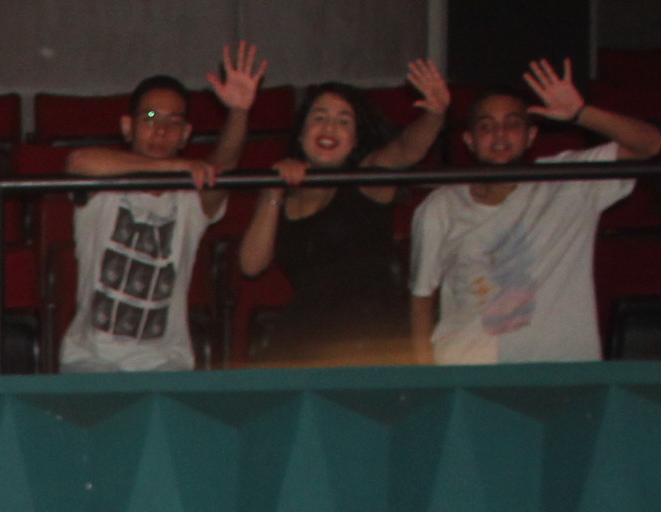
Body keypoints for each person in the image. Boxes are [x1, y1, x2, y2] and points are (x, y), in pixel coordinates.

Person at [407, 62, 661, 366]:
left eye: (512, 123)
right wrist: (426, 377)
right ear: (470, 141)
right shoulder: (441, 205)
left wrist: (581, 113)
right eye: (486, 126)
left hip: (560, 368)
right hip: (469, 368)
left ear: (531, 135)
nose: (500, 134)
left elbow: (650, 144)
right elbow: (421, 297)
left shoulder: (568, 180)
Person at [58, 49, 257, 373]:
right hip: (89, 359)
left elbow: (224, 166)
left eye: (173, 122)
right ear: (127, 126)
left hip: (165, 362)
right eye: (150, 118)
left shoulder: (190, 199)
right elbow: (78, 162)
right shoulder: (104, 187)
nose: (161, 130)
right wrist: (174, 165)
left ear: (186, 134)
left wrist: (238, 111)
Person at [234, 70, 447, 365]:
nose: (329, 128)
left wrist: (434, 116)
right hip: (303, 341)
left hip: (369, 344)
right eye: (319, 117)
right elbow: (251, 264)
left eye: (343, 121)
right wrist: (273, 189)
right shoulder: (284, 194)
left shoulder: (368, 176)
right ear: (301, 131)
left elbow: (407, 149)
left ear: (355, 138)